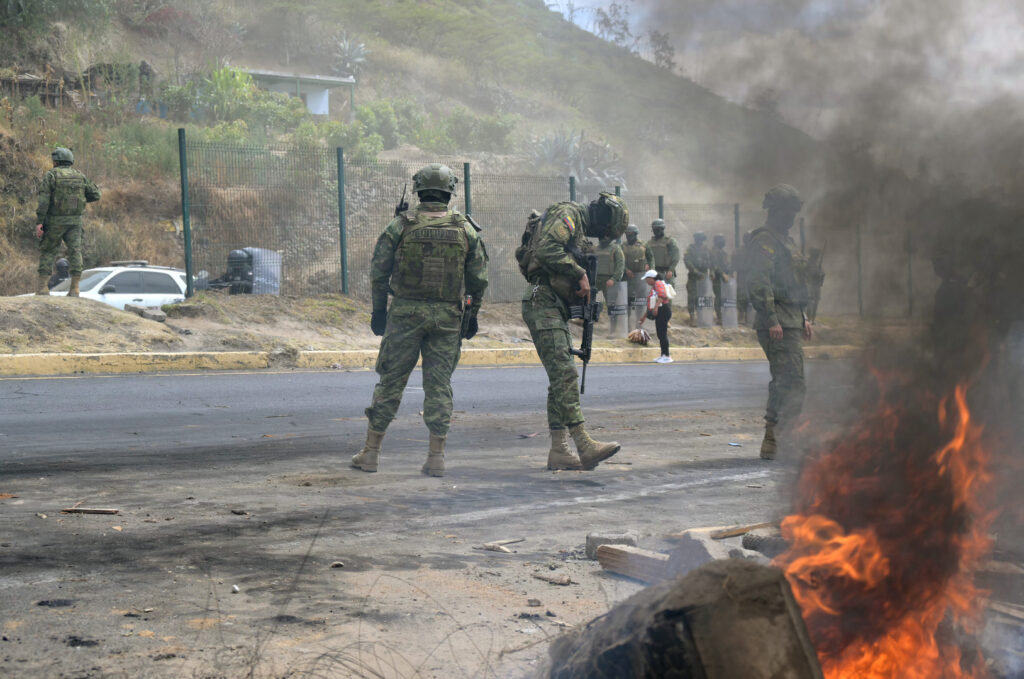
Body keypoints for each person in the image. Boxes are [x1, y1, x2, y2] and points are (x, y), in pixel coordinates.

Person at [351, 163, 488, 477]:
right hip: (447, 318)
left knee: (390, 382)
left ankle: (371, 454)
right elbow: (478, 280)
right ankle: (436, 458)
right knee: (439, 386)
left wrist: (379, 312)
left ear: (419, 191)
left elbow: (378, 273)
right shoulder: (465, 229)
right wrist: (472, 314)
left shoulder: (400, 225)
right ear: (449, 191)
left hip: (405, 315)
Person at [519, 191, 628, 470]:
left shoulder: (578, 228)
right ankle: (583, 444)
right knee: (565, 373)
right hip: (542, 303)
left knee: (560, 378)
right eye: (605, 230)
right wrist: (579, 273)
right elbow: (546, 250)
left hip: (554, 305)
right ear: (604, 220)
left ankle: (560, 451)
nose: (601, 235)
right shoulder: (569, 215)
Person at [747, 184, 812, 460]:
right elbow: (759, 282)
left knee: (791, 380)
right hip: (777, 321)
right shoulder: (765, 241)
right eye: (787, 211)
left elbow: (794, 283)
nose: (792, 217)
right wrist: (772, 318)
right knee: (789, 380)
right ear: (775, 211)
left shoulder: (788, 241)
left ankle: (781, 438)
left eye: (793, 212)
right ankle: (777, 438)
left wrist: (803, 316)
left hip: (791, 318)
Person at [34, 147, 100, 296]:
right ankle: (75, 289)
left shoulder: (51, 175)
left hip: (55, 221)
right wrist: (80, 200)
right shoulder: (80, 176)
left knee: (49, 251)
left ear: (56, 161)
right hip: (75, 222)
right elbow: (96, 194)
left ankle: (42, 288)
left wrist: (40, 222)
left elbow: (44, 201)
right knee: (75, 252)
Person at [621, 223, 654, 329]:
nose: (629, 236)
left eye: (631, 234)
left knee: (640, 301)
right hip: (628, 277)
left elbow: (651, 258)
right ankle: (627, 325)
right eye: (627, 234)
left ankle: (639, 324)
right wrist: (626, 270)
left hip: (641, 276)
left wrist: (651, 270)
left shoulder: (644, 245)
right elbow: (620, 261)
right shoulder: (623, 246)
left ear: (635, 234)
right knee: (628, 301)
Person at [636, 269, 673, 363]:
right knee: (660, 334)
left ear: (651, 278)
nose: (646, 281)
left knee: (662, 334)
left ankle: (666, 356)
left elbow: (662, 295)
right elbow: (651, 304)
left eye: (647, 279)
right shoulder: (655, 286)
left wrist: (656, 308)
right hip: (661, 310)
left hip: (663, 310)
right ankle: (663, 355)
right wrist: (644, 317)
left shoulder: (658, 283)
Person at [595, 234, 626, 338]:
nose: (603, 238)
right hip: (596, 279)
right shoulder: (595, 249)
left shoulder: (615, 248)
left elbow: (620, 266)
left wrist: (614, 279)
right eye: (602, 236)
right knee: (588, 300)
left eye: (606, 236)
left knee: (612, 306)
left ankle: (612, 330)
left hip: (609, 280)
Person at [683, 231, 711, 325]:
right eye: (699, 239)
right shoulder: (690, 249)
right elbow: (688, 262)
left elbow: (709, 261)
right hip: (693, 277)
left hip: (703, 277)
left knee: (702, 297)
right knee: (692, 296)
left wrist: (704, 264)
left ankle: (701, 317)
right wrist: (696, 271)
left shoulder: (705, 249)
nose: (700, 241)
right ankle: (692, 317)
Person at [709, 234, 731, 325]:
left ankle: (724, 316)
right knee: (718, 297)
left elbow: (726, 264)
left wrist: (729, 273)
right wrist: (723, 274)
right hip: (718, 279)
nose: (724, 242)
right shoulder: (713, 252)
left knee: (724, 297)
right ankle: (719, 317)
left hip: (724, 278)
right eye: (722, 240)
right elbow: (715, 266)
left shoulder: (722, 252)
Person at [734, 231, 753, 324]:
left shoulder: (754, 250)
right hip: (742, 275)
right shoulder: (739, 250)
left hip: (751, 275)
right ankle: (741, 314)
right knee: (741, 294)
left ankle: (749, 316)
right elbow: (734, 263)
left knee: (751, 295)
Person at [806, 246, 825, 323]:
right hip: (810, 285)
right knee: (810, 302)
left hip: (816, 286)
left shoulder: (818, 265)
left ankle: (813, 319)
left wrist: (820, 274)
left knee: (816, 302)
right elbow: (805, 274)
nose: (816, 257)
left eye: (817, 255)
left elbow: (822, 274)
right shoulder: (807, 263)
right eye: (815, 255)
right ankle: (808, 319)